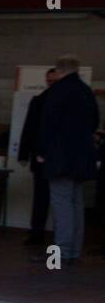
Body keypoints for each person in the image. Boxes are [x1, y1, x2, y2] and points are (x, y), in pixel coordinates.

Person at [37, 55, 100, 264]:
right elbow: (94, 123)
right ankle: (74, 251)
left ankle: (60, 253)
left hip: (60, 158)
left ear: (59, 70)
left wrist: (42, 151)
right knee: (76, 204)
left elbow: (47, 125)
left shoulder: (57, 92)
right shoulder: (86, 91)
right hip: (82, 158)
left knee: (61, 205)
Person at [17, 67, 58, 245]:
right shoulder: (40, 100)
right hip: (45, 156)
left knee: (51, 197)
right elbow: (29, 127)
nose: (51, 84)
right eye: (49, 81)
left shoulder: (42, 100)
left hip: (53, 156)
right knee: (42, 196)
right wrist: (24, 152)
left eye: (53, 81)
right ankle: (37, 232)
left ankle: (43, 233)